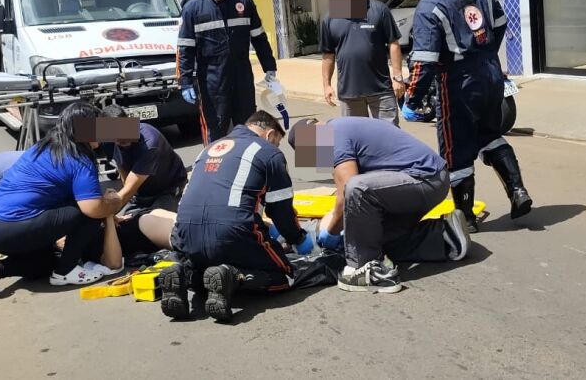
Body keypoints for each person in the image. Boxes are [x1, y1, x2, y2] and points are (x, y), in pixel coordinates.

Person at [398, 0, 534, 233]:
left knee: (455, 150)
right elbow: (499, 24)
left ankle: (466, 218)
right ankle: (518, 190)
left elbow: (424, 61)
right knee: (489, 134)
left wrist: (411, 100)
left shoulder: (428, 6)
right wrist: (484, 56)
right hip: (491, 73)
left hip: (457, 82)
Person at [159, 110, 315, 323]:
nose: (276, 147)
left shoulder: (209, 148)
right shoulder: (269, 152)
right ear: (269, 135)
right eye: (277, 142)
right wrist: (298, 239)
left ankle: (183, 274)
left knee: (206, 264)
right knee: (286, 275)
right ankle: (234, 276)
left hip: (184, 233)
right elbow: (281, 212)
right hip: (232, 231)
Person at [288, 117, 471, 293]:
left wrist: (331, 233)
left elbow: (346, 194)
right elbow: (342, 201)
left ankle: (367, 269)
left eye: (311, 153)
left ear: (310, 140)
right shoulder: (339, 129)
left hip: (425, 179)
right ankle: (444, 235)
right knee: (369, 238)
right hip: (421, 181)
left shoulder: (334, 134)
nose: (317, 159)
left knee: (357, 189)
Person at [0, 103, 124, 301]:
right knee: (88, 213)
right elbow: (92, 209)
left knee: (48, 260)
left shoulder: (42, 147)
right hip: (14, 227)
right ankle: (66, 272)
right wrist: (112, 204)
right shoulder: (80, 159)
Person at [177, 0, 279, 146]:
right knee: (216, 130)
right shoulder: (193, 9)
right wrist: (185, 81)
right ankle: (214, 169)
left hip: (241, 76)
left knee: (249, 127)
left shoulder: (243, 2)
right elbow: (185, 48)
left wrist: (269, 67)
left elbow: (259, 38)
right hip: (212, 81)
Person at [320, 0, 406, 125]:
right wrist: (326, 85)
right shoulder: (329, 18)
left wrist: (398, 77)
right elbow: (328, 55)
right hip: (349, 93)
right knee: (356, 139)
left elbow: (393, 43)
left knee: (389, 137)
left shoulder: (378, 10)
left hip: (381, 90)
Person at [100, 104, 188, 217]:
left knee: (154, 221)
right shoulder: (107, 143)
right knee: (126, 226)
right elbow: (125, 176)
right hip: (141, 194)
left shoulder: (149, 143)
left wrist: (105, 213)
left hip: (169, 190)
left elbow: (129, 188)